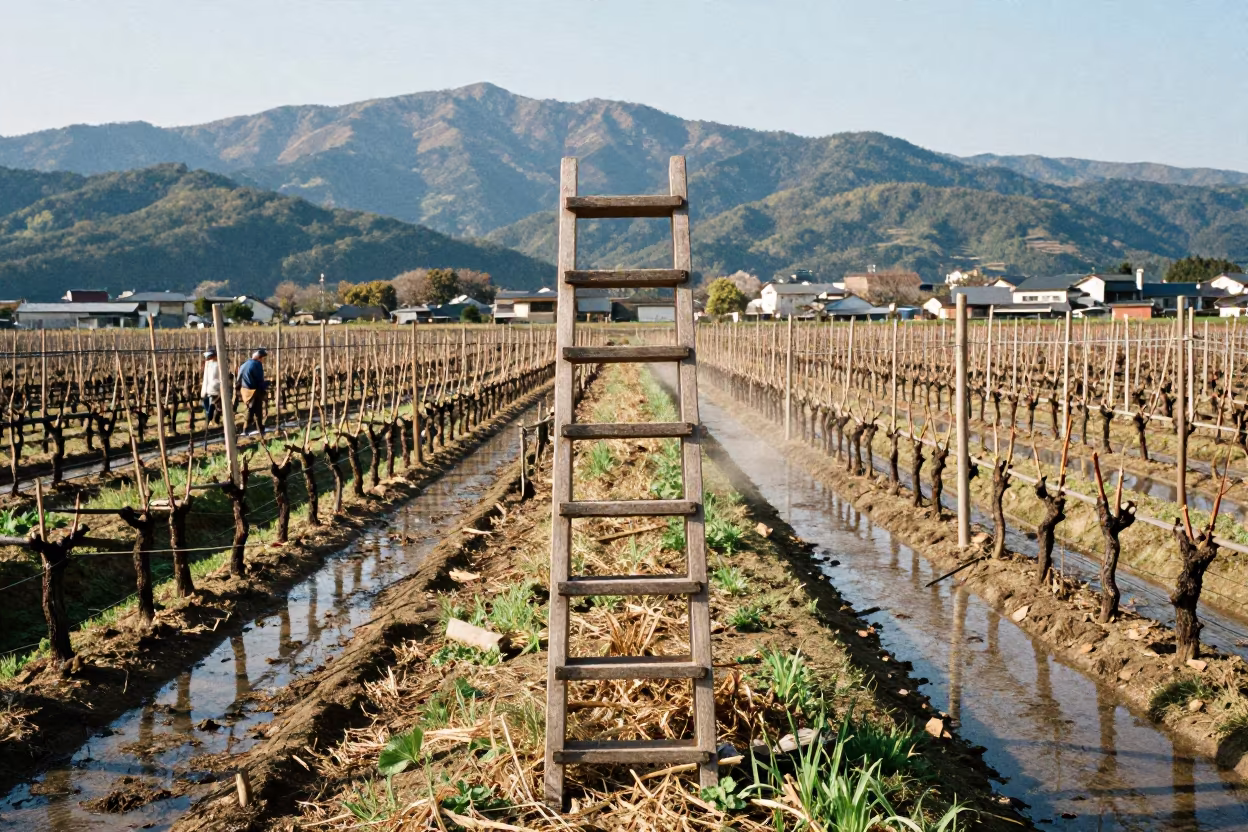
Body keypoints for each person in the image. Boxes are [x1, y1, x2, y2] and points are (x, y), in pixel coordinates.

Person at [237, 348, 269, 437]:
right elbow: (260, 380)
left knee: (250, 409)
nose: (262, 360)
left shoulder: (244, 365)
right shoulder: (257, 365)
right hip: (254, 391)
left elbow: (238, 379)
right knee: (257, 410)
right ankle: (260, 430)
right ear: (259, 357)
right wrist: (266, 385)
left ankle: (246, 429)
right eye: (262, 358)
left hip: (245, 391)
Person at [200, 349, 220, 428]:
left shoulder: (206, 364)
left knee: (207, 407)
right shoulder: (218, 364)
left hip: (206, 389)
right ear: (214, 356)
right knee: (212, 406)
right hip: (214, 389)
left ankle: (208, 422)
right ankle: (210, 421)